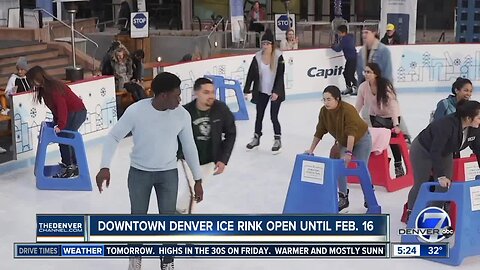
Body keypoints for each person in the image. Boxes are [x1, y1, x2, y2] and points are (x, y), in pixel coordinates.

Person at [95, 72, 204, 270]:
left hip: (168, 174)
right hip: (139, 173)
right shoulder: (136, 112)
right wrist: (104, 166)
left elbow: (189, 147)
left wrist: (198, 179)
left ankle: (167, 261)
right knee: (138, 219)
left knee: (168, 221)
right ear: (163, 95)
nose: (180, 99)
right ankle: (135, 260)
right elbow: (113, 137)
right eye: (176, 95)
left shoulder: (182, 115)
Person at [403, 100, 480, 223]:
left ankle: (434, 215)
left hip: (445, 151)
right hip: (423, 149)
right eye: (478, 117)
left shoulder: (475, 129)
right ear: (468, 117)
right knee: (422, 183)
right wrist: (441, 175)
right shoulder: (445, 125)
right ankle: (412, 213)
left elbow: (478, 150)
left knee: (445, 186)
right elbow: (435, 151)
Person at [305, 85, 372, 211]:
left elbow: (351, 133)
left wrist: (348, 153)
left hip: (362, 139)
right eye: (324, 99)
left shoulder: (348, 110)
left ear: (337, 99)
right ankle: (343, 196)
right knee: (340, 166)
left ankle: (369, 197)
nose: (326, 102)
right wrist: (311, 149)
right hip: (343, 141)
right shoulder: (324, 112)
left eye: (329, 99)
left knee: (362, 167)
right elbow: (319, 131)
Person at [177, 77, 237, 214]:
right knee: (193, 190)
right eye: (206, 92)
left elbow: (231, 133)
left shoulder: (221, 109)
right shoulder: (186, 112)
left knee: (191, 190)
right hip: (188, 160)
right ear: (196, 93)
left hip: (210, 159)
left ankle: (179, 211)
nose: (211, 96)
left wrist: (223, 159)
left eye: (213, 92)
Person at [26, 66, 87, 178]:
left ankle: (71, 166)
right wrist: (56, 122)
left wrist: (61, 125)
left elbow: (61, 107)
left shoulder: (53, 89)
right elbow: (55, 110)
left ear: (38, 78)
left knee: (65, 136)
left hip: (77, 112)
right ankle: (70, 164)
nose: (31, 83)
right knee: (64, 136)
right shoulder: (44, 90)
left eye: (31, 80)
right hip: (70, 113)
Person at [355, 62, 405, 178]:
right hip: (376, 117)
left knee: (393, 142)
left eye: (369, 72)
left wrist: (396, 124)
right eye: (365, 72)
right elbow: (358, 104)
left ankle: (398, 165)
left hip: (391, 117)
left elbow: (393, 105)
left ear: (375, 74)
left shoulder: (385, 86)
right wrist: (352, 118)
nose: (366, 74)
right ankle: (381, 166)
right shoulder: (363, 87)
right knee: (378, 141)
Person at [244, 29, 285, 154]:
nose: (265, 46)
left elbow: (280, 76)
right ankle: (256, 137)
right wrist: (246, 90)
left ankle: (277, 139)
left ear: (272, 44)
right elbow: (250, 74)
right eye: (263, 43)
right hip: (261, 91)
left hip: (275, 92)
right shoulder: (257, 57)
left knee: (273, 116)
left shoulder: (278, 56)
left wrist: (276, 91)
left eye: (267, 43)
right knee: (259, 116)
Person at [331, 25, 357, 95]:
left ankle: (357, 88)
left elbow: (338, 49)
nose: (338, 34)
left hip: (353, 59)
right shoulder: (349, 37)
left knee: (350, 75)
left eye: (339, 33)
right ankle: (349, 88)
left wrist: (332, 46)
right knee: (346, 73)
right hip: (351, 59)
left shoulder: (345, 39)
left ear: (342, 32)